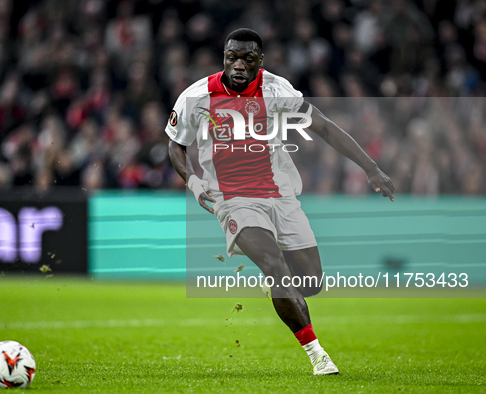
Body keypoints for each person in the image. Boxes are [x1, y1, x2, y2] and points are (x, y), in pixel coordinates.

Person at [165, 28, 394, 376]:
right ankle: (317, 354)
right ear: (224, 57)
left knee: (312, 282)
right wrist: (193, 180)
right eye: (232, 57)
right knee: (276, 266)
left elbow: (326, 128)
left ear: (261, 61)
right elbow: (174, 143)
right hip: (233, 199)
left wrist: (371, 168)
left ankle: (280, 290)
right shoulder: (196, 96)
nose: (238, 65)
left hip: (280, 195)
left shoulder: (277, 90)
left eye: (247, 58)